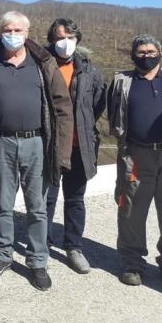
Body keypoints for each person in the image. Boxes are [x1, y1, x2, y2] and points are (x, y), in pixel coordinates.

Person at [0, 11, 73, 291]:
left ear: (27, 33)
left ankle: (38, 261)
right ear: (0, 31)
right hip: (1, 142)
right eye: (7, 29)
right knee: (2, 204)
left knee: (37, 206)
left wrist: (61, 150)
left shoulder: (43, 63)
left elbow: (62, 107)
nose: (12, 34)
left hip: (37, 143)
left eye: (17, 30)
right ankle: (3, 255)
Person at [108, 34, 162, 289]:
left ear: (160, 53)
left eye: (151, 51)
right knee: (131, 210)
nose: (146, 56)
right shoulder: (121, 81)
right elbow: (113, 114)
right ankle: (132, 264)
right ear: (132, 54)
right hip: (136, 155)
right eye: (141, 52)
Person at [44, 19, 106, 274]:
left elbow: (98, 104)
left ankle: (74, 247)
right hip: (49, 145)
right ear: (51, 40)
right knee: (46, 198)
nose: (65, 42)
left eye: (70, 36)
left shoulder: (89, 70)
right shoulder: (42, 65)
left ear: (78, 39)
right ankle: (42, 244)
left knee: (75, 199)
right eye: (60, 37)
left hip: (80, 146)